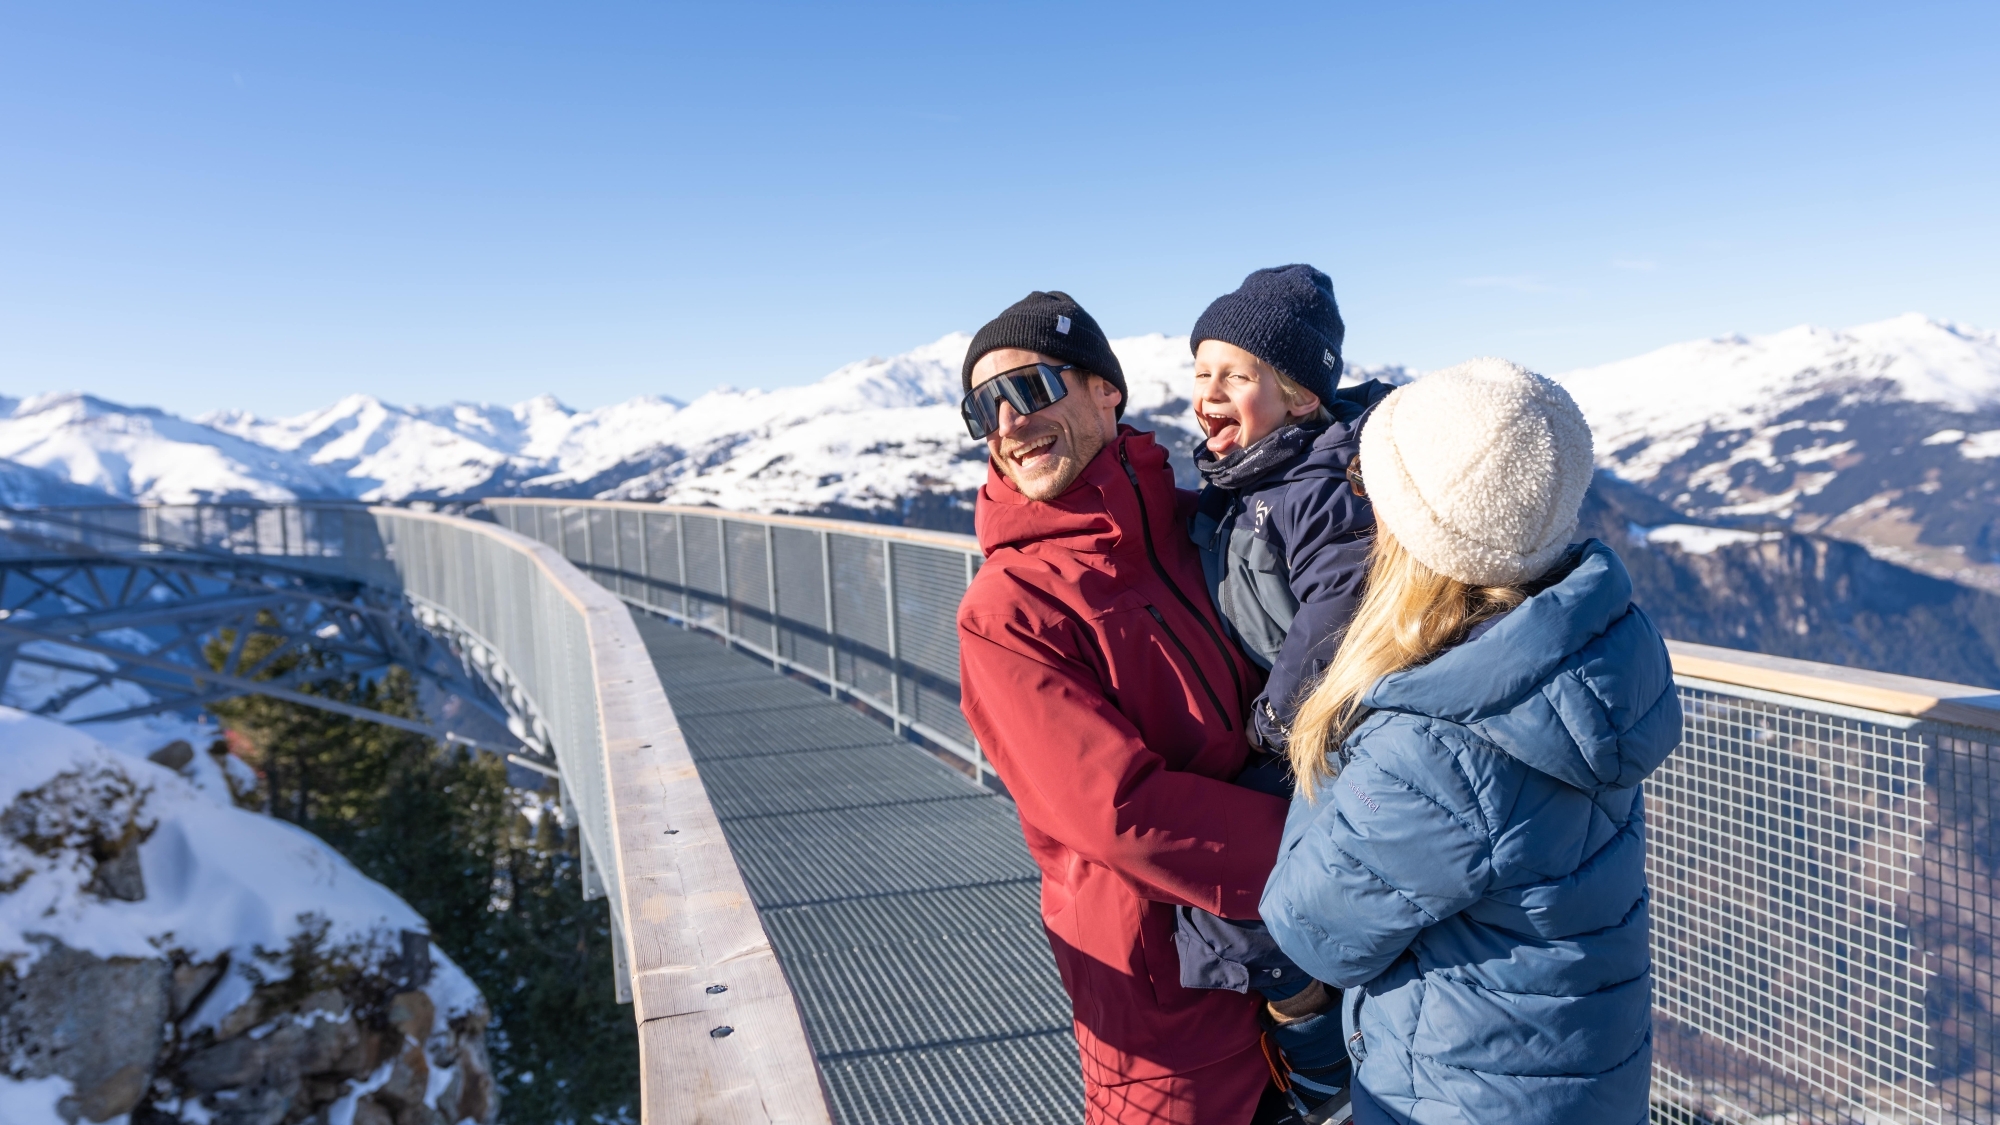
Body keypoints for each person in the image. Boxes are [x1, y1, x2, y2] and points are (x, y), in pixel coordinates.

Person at [1259, 358, 1682, 1124]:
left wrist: (1326, 726)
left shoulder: (1437, 745)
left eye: (1367, 485)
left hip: (1459, 1095)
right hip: (1574, 1079)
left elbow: (1313, 927)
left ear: (1416, 531)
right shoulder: (1580, 658)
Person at [955, 290, 1288, 1124]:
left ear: (1107, 389)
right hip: (1168, 1012)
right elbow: (1118, 809)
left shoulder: (1196, 526)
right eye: (982, 407)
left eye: (1028, 388)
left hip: (1299, 958)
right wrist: (1336, 848)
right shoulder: (1008, 609)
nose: (1008, 421)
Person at [1174, 264, 1399, 1117]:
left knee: (1262, 916)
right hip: (1299, 727)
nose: (1209, 394)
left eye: (1236, 375)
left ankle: (1319, 1074)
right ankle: (1307, 1045)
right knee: (1257, 911)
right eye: (1201, 374)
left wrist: (1274, 716)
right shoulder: (1252, 484)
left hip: (1320, 734)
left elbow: (1338, 607)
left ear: (1302, 397)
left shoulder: (1318, 488)